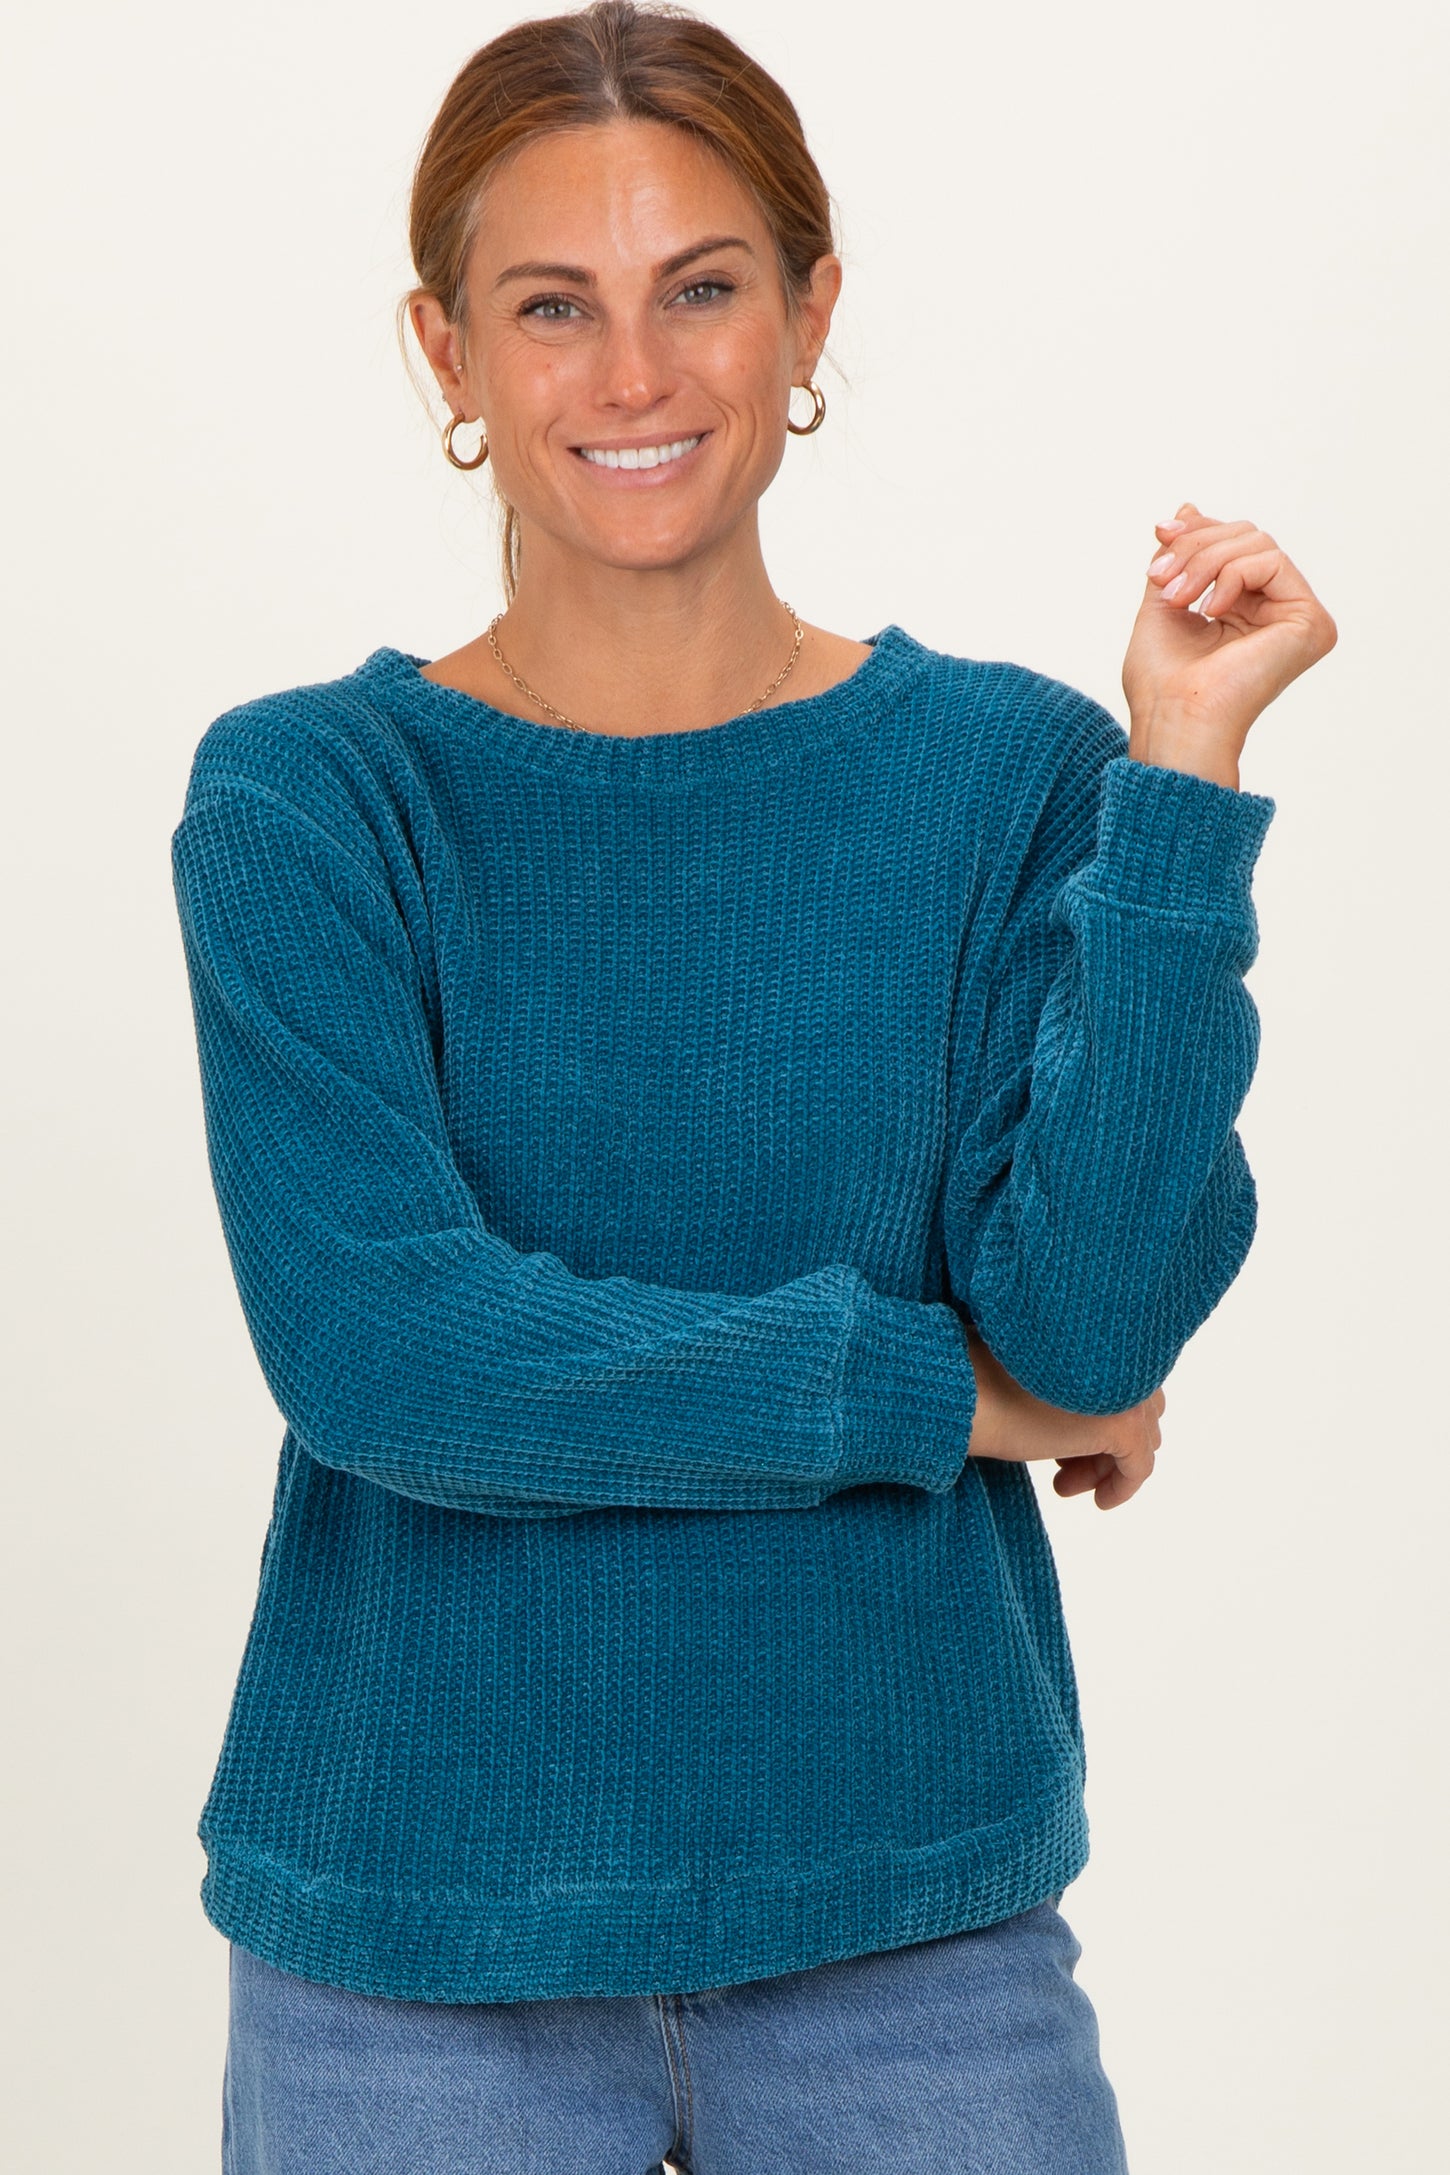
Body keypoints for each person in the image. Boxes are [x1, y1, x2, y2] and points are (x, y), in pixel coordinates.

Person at [169, 4, 1337, 2170]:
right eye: (552, 306)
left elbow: (1089, 1328)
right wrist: (948, 1397)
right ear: (445, 353)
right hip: (412, 1953)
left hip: (917, 1931)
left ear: (807, 315)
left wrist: (1177, 775)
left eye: (698, 288)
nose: (632, 373)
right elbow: (390, 1357)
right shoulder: (312, 798)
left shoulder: (1010, 777)